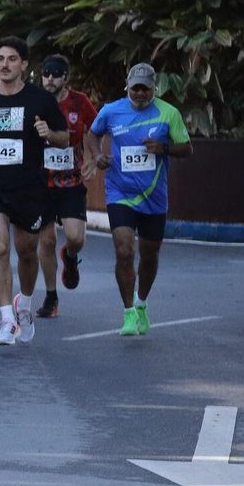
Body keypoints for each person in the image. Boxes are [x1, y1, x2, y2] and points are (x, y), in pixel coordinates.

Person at [0, 37, 68, 346]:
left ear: (23, 65)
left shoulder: (40, 100)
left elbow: (64, 137)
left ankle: (25, 302)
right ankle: (7, 319)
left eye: (11, 59)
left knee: (26, 250)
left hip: (29, 187)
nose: (4, 65)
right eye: (0, 60)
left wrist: (50, 134)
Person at [87, 63, 191, 336]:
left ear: (154, 88)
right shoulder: (111, 111)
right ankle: (128, 311)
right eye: (136, 88)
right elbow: (93, 134)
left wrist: (164, 148)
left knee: (149, 254)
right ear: (128, 86)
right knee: (124, 251)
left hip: (154, 197)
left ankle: (142, 303)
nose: (141, 93)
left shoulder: (169, 114)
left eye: (146, 88)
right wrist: (98, 156)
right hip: (120, 192)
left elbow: (188, 148)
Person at [34, 53, 98, 319]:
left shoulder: (79, 102)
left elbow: (96, 128)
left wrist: (93, 157)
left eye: (55, 74)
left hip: (71, 181)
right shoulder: (34, 101)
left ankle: (70, 258)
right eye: (46, 73)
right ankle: (51, 297)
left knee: (75, 237)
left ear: (65, 78)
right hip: (40, 182)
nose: (49, 79)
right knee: (45, 240)